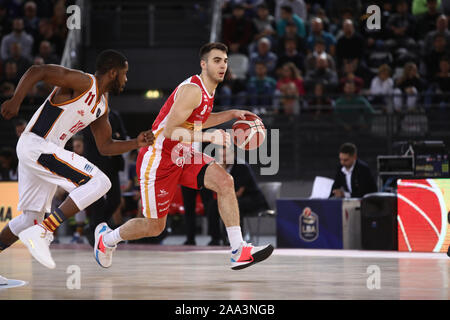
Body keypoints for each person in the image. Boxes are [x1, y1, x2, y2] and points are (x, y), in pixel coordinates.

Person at [93, 42, 274, 271]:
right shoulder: (193, 90)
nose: (223, 66)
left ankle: (239, 251)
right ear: (203, 64)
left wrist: (231, 114)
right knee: (154, 226)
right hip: (158, 158)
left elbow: (198, 119)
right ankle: (107, 239)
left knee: (225, 181)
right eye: (217, 61)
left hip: (182, 153)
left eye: (225, 61)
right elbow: (170, 131)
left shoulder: (209, 90)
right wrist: (209, 138)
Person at [0, 49, 154, 269]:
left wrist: (135, 143)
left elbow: (106, 146)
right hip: (37, 144)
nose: (126, 79)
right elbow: (38, 71)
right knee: (100, 182)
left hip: (39, 152)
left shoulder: (102, 105)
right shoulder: (83, 82)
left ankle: (39, 228)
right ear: (112, 73)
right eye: (124, 73)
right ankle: (44, 230)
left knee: (29, 219)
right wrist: (16, 100)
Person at [82, 107, 128, 247]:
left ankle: (94, 227)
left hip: (112, 164)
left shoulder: (114, 114)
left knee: (115, 200)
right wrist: (113, 137)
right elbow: (95, 140)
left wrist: (112, 138)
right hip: (95, 166)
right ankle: (96, 234)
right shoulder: (89, 115)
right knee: (97, 202)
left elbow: (123, 136)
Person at [207, 146, 268, 245]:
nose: (224, 158)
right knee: (213, 205)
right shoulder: (219, 167)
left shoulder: (242, 166)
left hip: (252, 199)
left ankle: (233, 239)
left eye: (226, 155)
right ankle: (215, 238)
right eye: (222, 156)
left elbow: (239, 192)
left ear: (233, 154)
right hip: (234, 198)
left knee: (231, 205)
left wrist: (223, 200)